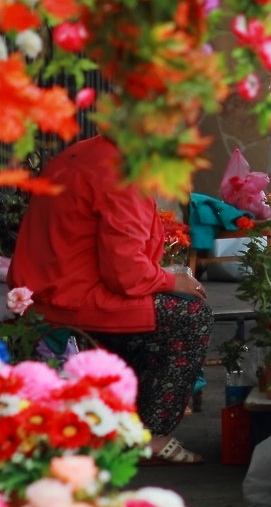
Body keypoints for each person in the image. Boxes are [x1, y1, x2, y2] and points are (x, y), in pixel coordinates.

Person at [10, 135, 213, 465]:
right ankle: (151, 436)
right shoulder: (121, 175)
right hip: (74, 300)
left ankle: (125, 417)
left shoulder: (91, 151)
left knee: (165, 309)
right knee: (191, 316)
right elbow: (127, 275)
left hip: (48, 293)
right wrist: (172, 279)